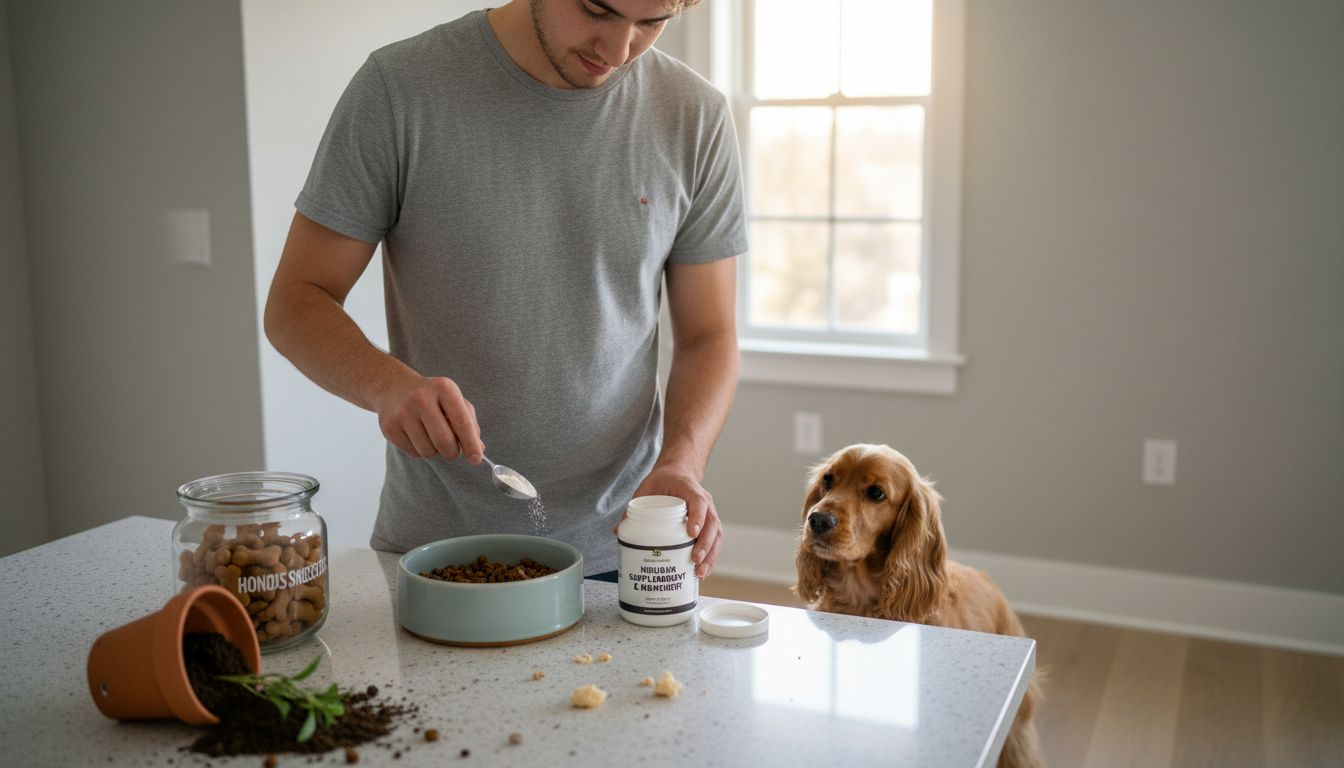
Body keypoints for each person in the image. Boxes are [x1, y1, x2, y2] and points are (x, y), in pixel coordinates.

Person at [263, 0, 746, 580]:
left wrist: (683, 464)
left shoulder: (694, 114)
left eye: (651, 23)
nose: (617, 52)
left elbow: (709, 335)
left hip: (629, 547)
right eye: (598, 10)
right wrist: (387, 385)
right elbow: (296, 300)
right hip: (438, 552)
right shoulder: (401, 89)